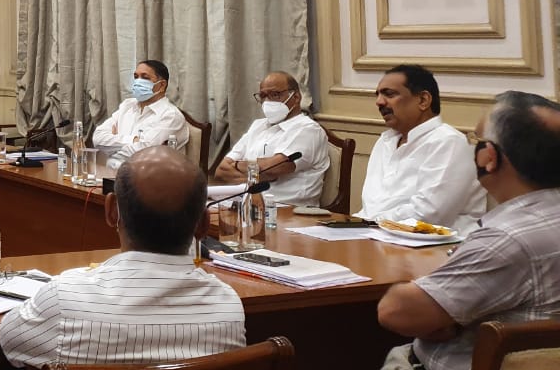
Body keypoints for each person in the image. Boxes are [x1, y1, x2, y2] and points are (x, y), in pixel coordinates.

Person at [283, 91, 560, 370]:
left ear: (488, 157)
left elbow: (397, 312)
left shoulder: (506, 239)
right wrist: (451, 311)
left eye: (476, 140)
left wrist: (445, 309)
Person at [0, 147, 246, 370]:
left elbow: (10, 344)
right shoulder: (228, 307)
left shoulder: (65, 298)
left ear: (111, 211)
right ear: (203, 225)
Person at [357, 64, 485, 230]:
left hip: (433, 242)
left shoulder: (450, 143)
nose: (379, 102)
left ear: (423, 100)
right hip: (375, 234)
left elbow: (430, 214)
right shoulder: (385, 141)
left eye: (389, 94)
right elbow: (370, 207)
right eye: (378, 95)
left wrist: (369, 223)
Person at [216, 71, 330, 207]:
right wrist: (257, 178)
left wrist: (236, 165)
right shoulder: (258, 126)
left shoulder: (308, 130)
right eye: (263, 96)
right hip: (248, 204)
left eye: (275, 94)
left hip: (287, 209)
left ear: (296, 97)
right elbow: (221, 170)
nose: (267, 101)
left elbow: (273, 168)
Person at [93, 59, 188, 167]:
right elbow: (98, 138)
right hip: (112, 172)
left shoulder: (170, 115)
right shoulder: (127, 105)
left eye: (145, 77)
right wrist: (134, 140)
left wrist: (113, 145)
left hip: (149, 175)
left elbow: (145, 152)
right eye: (136, 77)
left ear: (162, 85)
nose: (138, 81)